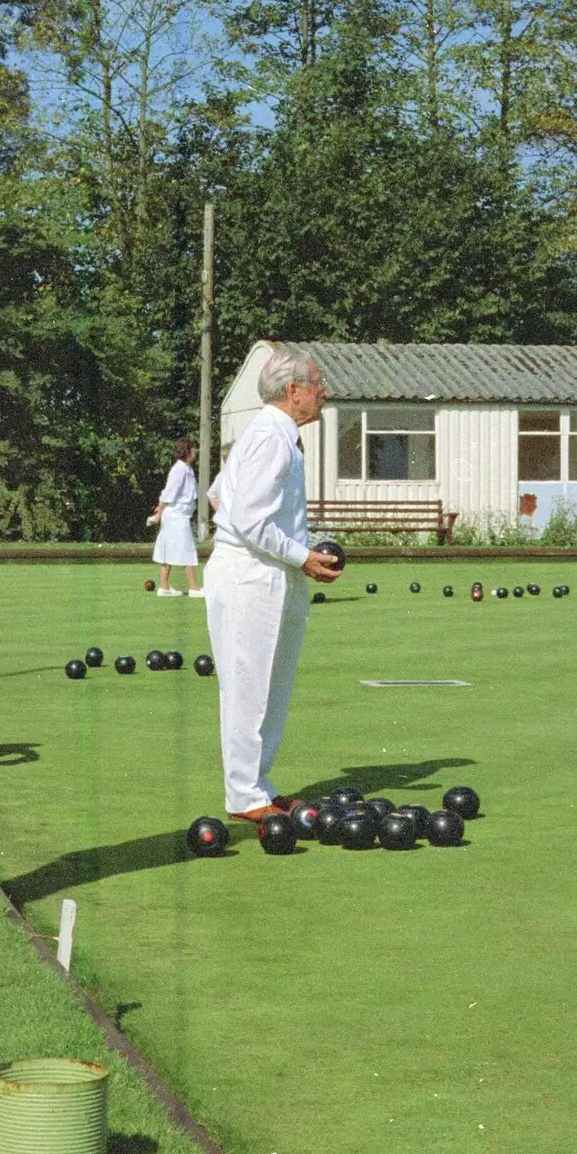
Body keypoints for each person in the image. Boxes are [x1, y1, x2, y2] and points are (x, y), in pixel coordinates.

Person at [203, 346, 341, 822]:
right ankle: (243, 796)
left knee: (270, 686)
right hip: (251, 578)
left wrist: (291, 546)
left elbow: (219, 495)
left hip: (267, 573)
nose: (324, 393)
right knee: (248, 687)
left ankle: (257, 785)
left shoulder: (268, 434)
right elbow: (244, 518)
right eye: (318, 385)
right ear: (293, 391)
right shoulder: (270, 438)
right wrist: (300, 555)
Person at [148, 438, 204, 596]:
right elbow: (169, 493)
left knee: (168, 547)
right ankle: (194, 588)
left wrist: (160, 510)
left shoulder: (186, 469)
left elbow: (170, 494)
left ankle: (164, 587)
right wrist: (159, 513)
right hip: (176, 516)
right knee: (186, 548)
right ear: (187, 451)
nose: (196, 451)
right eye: (194, 449)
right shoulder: (179, 470)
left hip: (177, 515)